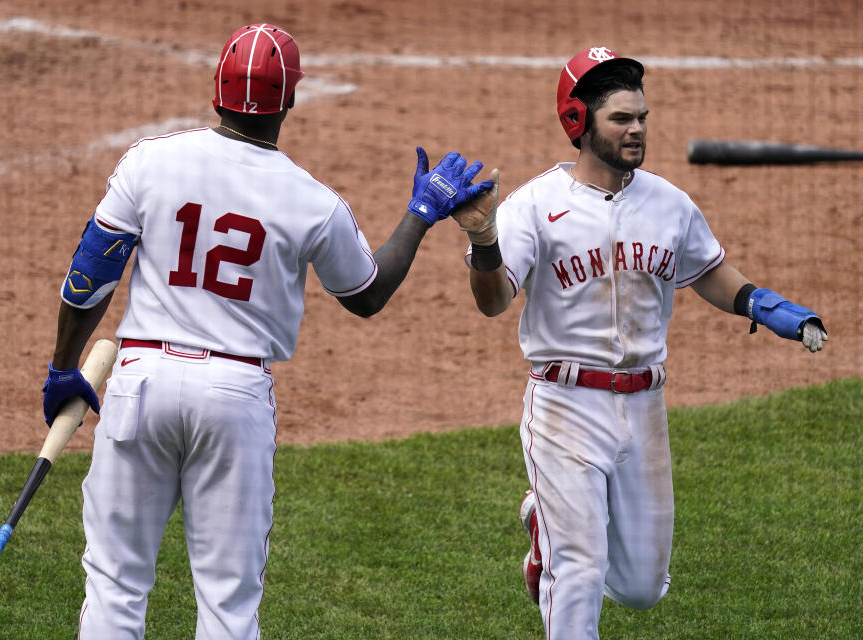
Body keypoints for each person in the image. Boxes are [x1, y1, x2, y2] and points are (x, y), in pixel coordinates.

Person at [40, 23, 492, 640]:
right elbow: (366, 295)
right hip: (234, 397)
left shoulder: (149, 160)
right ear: (290, 101)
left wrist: (64, 367)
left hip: (141, 382)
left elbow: (89, 279)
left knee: (116, 587)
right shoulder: (312, 201)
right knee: (229, 604)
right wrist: (418, 215)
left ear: (216, 91)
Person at [450, 46, 828, 639]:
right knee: (579, 572)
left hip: (646, 406)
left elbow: (704, 269)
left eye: (642, 118)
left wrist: (762, 303)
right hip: (564, 406)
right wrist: (484, 239)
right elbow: (494, 299)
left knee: (641, 587)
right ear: (578, 122)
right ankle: (556, 539)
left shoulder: (668, 203)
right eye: (621, 119)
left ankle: (538, 521)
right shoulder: (533, 206)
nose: (636, 130)